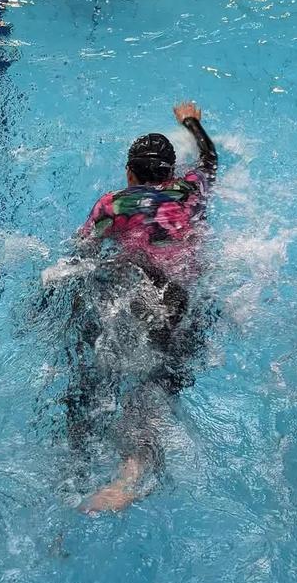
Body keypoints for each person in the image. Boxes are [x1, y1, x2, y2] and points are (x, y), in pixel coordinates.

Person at [76, 101, 218, 512]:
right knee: (158, 381)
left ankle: (80, 457)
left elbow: (82, 250)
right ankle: (133, 471)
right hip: (182, 301)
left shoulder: (114, 204)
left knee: (97, 368)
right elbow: (210, 157)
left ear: (129, 173)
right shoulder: (191, 191)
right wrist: (192, 122)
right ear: (172, 174)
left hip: (135, 291)